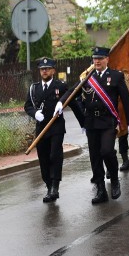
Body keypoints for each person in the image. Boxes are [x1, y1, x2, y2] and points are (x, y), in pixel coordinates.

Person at [66, 47, 129, 204]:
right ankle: (100, 189)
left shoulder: (117, 76)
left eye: (100, 58)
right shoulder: (87, 77)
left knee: (106, 151)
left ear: (107, 59)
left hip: (108, 122)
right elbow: (72, 92)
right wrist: (60, 103)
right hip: (91, 122)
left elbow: (126, 101)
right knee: (95, 157)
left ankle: (115, 180)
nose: (97, 61)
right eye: (94, 58)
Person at [24, 57, 83, 203]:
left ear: (53, 71)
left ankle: (55, 186)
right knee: (43, 158)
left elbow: (73, 104)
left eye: (48, 69)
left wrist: (83, 123)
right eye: (42, 69)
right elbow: (28, 106)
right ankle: (48, 185)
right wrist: (34, 114)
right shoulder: (34, 88)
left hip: (56, 127)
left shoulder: (61, 86)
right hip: (41, 128)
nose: (45, 71)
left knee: (54, 155)